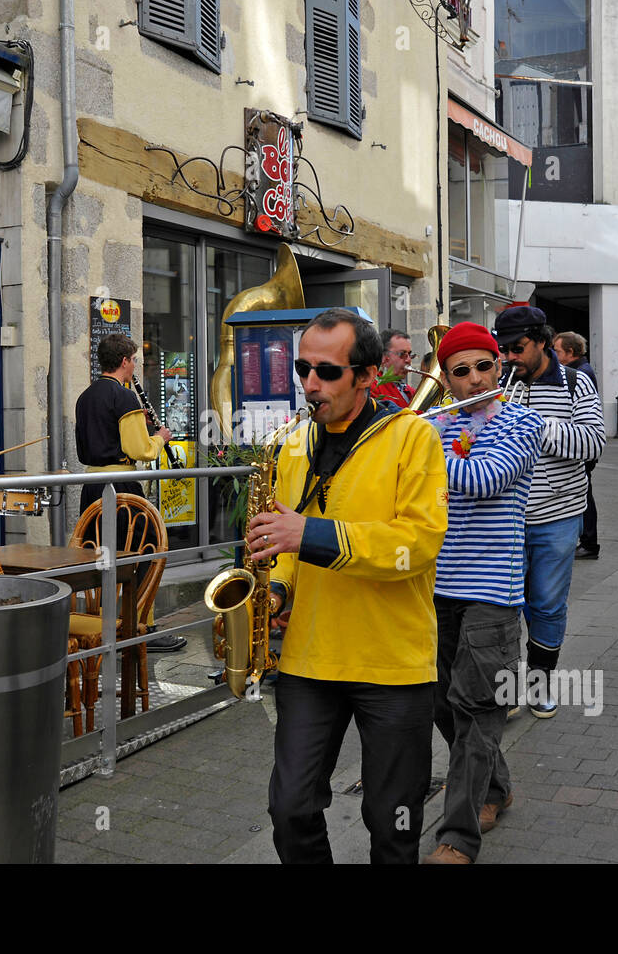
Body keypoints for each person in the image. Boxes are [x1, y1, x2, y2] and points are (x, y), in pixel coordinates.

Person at [245, 308, 447, 864]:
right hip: (311, 660)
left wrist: (306, 534)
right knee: (289, 807)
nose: (310, 385)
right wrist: (278, 589)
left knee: (392, 820)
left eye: (327, 372)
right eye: (303, 369)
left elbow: (416, 543)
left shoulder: (414, 438)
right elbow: (283, 544)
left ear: (367, 374)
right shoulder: (294, 442)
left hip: (393, 660)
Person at [423, 322, 543, 865]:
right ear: (446, 379)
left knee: (479, 708)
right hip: (434, 585)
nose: (475, 379)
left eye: (484, 367)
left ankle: (458, 836)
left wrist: (415, 457)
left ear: (500, 366)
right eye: (461, 372)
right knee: (442, 704)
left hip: (492, 589)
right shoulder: (435, 427)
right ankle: (495, 787)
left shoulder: (524, 420)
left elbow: (486, 479)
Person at [495, 306, 605, 716]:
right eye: (503, 349)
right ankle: (506, 690)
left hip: (557, 514)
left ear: (542, 341)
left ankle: (539, 686)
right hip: (503, 514)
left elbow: (593, 444)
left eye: (517, 348)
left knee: (546, 604)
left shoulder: (576, 383)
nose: (508, 358)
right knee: (501, 604)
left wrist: (535, 424)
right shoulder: (500, 383)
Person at [74, 332, 184, 652]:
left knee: (107, 558)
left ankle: (110, 624)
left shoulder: (86, 396)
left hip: (91, 489)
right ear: (124, 362)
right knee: (149, 551)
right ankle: (140, 627)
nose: (135, 365)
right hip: (121, 489)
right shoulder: (124, 397)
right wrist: (160, 436)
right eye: (134, 360)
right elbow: (140, 449)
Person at [555, 331, 600, 559]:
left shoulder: (579, 375)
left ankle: (589, 542)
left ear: (570, 353)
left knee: (584, 494)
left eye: (558, 351)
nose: (555, 355)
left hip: (581, 447)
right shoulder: (582, 369)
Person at [372, 329, 417, 408]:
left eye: (410, 354)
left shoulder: (411, 391)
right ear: (384, 357)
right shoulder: (374, 387)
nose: (408, 360)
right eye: (402, 354)